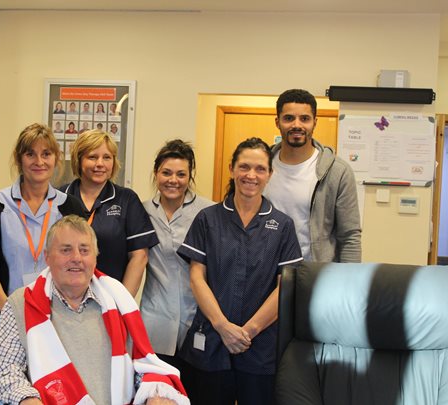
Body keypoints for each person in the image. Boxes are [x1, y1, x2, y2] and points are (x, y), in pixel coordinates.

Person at [0, 215, 190, 405]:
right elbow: (3, 371)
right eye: (66, 250)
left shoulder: (119, 303)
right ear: (47, 257)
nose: (76, 258)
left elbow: (142, 366)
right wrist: (28, 400)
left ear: (95, 257)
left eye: (84, 250)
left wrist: (156, 394)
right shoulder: (21, 304)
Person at [0, 123, 86, 404]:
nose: (39, 161)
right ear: (19, 158)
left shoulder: (70, 207)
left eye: (46, 154)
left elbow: (79, 264)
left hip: (54, 322)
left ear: (56, 159)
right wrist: (13, 313)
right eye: (30, 154)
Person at [177, 138, 303, 405]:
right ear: (232, 168)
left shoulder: (282, 226)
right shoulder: (208, 219)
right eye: (244, 167)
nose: (251, 175)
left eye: (260, 169)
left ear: (270, 174)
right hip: (212, 342)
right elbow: (197, 277)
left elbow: (286, 288)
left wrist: (247, 332)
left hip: (259, 347)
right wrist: (223, 327)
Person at [140, 140, 214, 397]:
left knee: (197, 394)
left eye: (181, 174)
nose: (174, 180)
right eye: (166, 173)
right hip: (155, 320)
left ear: (190, 176)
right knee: (159, 397)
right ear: (156, 173)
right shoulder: (142, 211)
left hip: (199, 322)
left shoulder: (209, 212)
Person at [263, 88, 361, 262]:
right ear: (277, 122)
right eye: (289, 118)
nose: (297, 125)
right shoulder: (261, 167)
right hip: (265, 270)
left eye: (305, 119)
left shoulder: (337, 171)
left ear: (315, 122)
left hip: (314, 273)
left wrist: (349, 280)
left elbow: (350, 236)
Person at [60, 130, 158, 296]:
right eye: (92, 157)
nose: (100, 164)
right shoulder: (60, 198)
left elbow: (139, 256)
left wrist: (122, 304)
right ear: (79, 160)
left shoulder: (126, 199)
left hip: (110, 300)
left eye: (107, 157)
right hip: (64, 298)